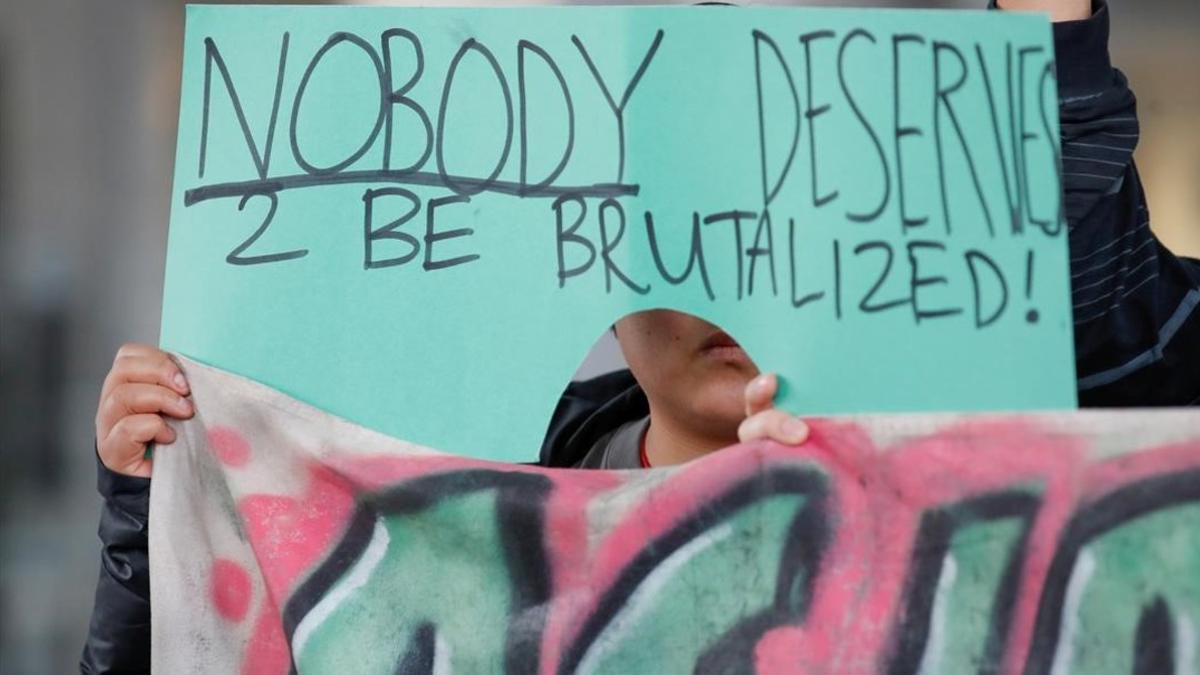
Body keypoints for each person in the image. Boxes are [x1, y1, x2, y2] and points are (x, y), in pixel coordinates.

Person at [81, 0, 1200, 672]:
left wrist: (1054, 60)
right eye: (677, 227)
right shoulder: (458, 522)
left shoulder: (959, 500)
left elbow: (1123, 344)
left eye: (766, 217)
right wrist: (157, 527)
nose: (727, 278)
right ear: (595, 256)